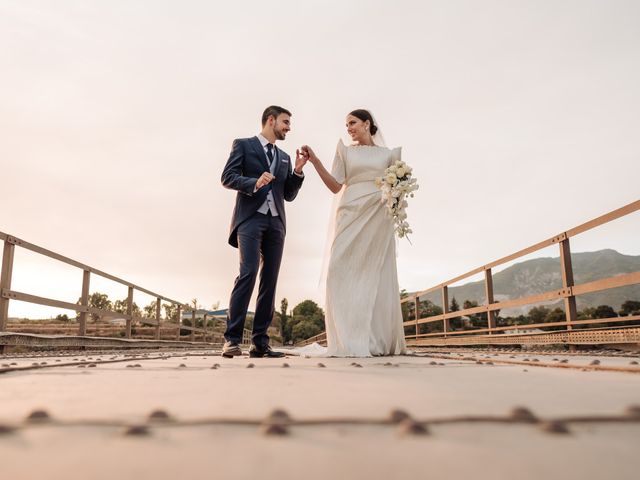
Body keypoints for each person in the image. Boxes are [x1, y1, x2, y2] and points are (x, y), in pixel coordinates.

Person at [301, 109, 407, 357]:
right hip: (350, 213)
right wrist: (316, 161)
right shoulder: (345, 152)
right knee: (338, 270)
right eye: (346, 124)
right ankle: (346, 339)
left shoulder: (389, 155)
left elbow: (398, 188)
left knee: (376, 273)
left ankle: (375, 340)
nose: (348, 128)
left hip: (378, 216)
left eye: (352, 123)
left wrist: (395, 201)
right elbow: (335, 186)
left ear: (367, 123)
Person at [221, 105, 307, 358]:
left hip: (276, 223)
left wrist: (298, 171)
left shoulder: (284, 157)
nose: (289, 127)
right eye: (285, 122)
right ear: (271, 120)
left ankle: (260, 343)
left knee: (269, 281)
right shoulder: (244, 145)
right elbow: (228, 177)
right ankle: (232, 339)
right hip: (249, 219)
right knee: (248, 272)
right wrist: (253, 182)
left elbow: (288, 194)